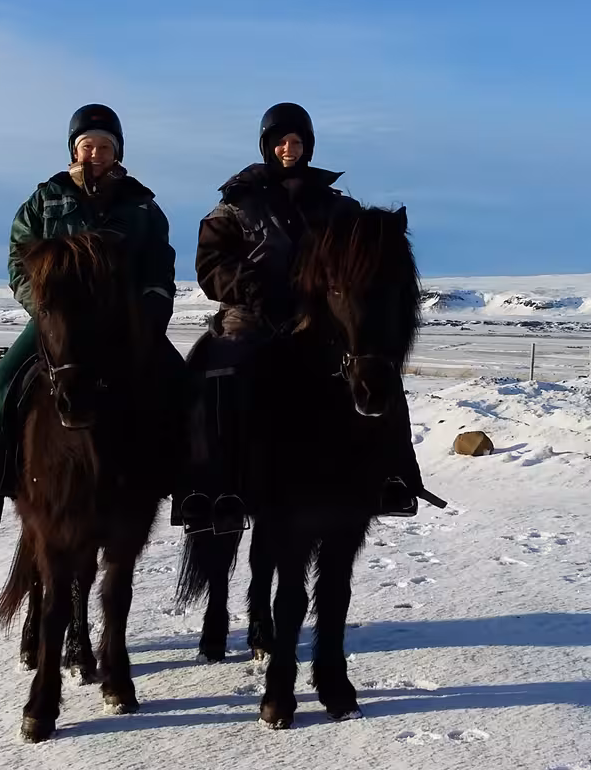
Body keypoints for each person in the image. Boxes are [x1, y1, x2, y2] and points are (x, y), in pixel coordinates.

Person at [176, 102, 425, 533]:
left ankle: (395, 474)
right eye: (281, 141)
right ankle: (206, 485)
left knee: (375, 365)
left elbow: (364, 254)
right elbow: (211, 263)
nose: (289, 148)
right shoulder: (237, 202)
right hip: (252, 314)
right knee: (216, 368)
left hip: (318, 320)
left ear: (307, 146)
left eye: (297, 141)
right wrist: (254, 290)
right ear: (268, 146)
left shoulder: (335, 207)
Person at [0, 103, 179, 527]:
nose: (96, 154)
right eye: (87, 145)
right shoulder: (45, 200)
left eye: (104, 147)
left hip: (123, 320)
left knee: (182, 383)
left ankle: (190, 483)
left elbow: (160, 266)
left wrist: (149, 313)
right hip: (58, 322)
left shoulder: (141, 206)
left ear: (117, 152)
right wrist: (47, 310)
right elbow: (20, 262)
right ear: (74, 150)